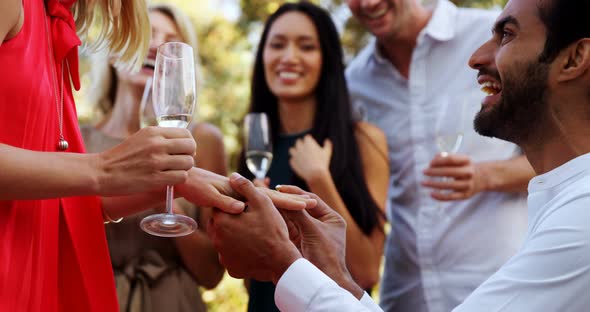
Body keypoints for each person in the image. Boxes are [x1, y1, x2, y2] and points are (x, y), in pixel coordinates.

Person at [209, 0, 590, 310]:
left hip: (491, 275)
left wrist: (283, 260)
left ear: (575, 60)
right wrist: (336, 279)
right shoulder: (356, 83)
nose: (476, 59)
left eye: (506, 35)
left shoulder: (577, 219)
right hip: (404, 295)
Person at [0, 1, 314, 311]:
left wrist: (173, 185)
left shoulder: (50, 27)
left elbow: (52, 204)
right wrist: (103, 170)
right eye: (147, 33)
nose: (154, 46)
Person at [344, 0, 536, 310]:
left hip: (502, 286)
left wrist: (486, 176)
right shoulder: (354, 83)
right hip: (405, 295)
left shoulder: (496, 37)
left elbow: (575, 151)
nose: (368, 3)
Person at [237, 2, 389, 310]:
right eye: (277, 45)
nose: (289, 57)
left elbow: (366, 271)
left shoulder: (365, 140)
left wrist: (319, 178)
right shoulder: (256, 146)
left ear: (327, 59)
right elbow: (249, 278)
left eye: (306, 46)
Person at [82, 4, 226, 312]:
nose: (157, 44)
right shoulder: (76, 139)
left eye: (171, 39)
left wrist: (164, 197)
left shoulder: (203, 140)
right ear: (111, 49)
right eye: (147, 33)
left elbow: (211, 274)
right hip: (92, 301)